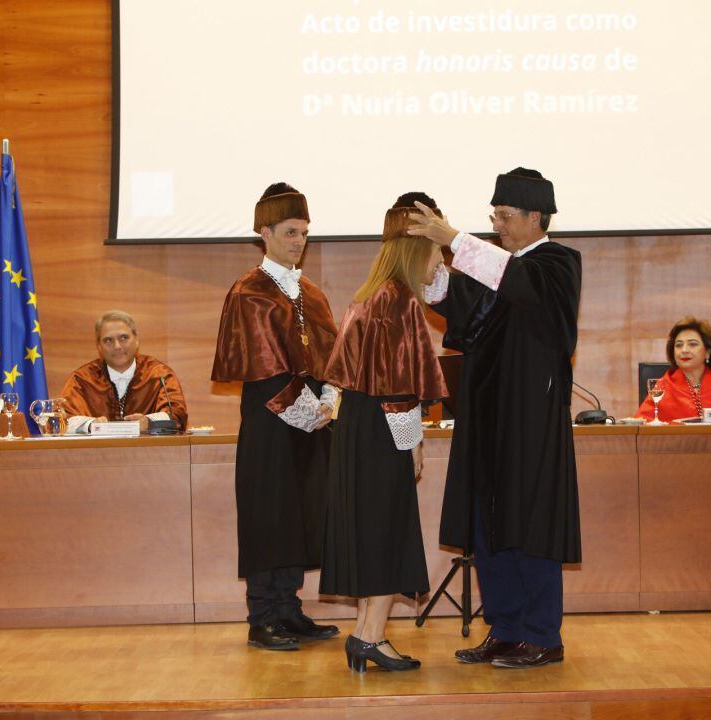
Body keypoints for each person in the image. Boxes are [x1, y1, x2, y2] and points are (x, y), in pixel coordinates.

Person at [408, 167, 581, 669]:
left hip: (530, 421)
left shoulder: (557, 265)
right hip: (486, 415)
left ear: (536, 216)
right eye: (494, 216)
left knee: (529, 523)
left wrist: (455, 239)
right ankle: (505, 629)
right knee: (489, 524)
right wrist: (434, 276)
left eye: (505, 216)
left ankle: (542, 635)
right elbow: (467, 312)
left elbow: (520, 286)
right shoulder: (497, 266)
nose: (498, 224)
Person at [320, 193, 449, 672]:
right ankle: (370, 637)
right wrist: (412, 440)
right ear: (418, 249)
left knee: (367, 527)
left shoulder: (366, 296)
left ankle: (363, 632)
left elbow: (346, 376)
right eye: (437, 249)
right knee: (385, 528)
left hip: (355, 425)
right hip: (382, 429)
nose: (441, 259)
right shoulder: (398, 302)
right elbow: (398, 386)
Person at [212, 183, 340, 650]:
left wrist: (330, 399)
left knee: (301, 514)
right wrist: (312, 411)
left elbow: (331, 357)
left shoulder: (311, 292)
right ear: (263, 232)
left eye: (304, 232)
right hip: (271, 425)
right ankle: (262, 615)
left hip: (311, 424)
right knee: (270, 517)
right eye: (289, 232)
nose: (298, 241)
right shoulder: (250, 292)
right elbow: (264, 371)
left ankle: (289, 609)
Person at [59, 310, 188, 433]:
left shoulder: (160, 375)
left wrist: (148, 422)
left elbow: (177, 414)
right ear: (98, 346)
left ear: (136, 339)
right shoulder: (82, 380)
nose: (117, 346)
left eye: (123, 338)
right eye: (108, 340)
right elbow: (63, 418)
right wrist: (91, 425)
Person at [634, 317, 711, 422]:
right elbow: (642, 424)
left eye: (692, 344)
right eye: (678, 345)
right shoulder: (664, 385)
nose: (684, 350)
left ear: (707, 352)